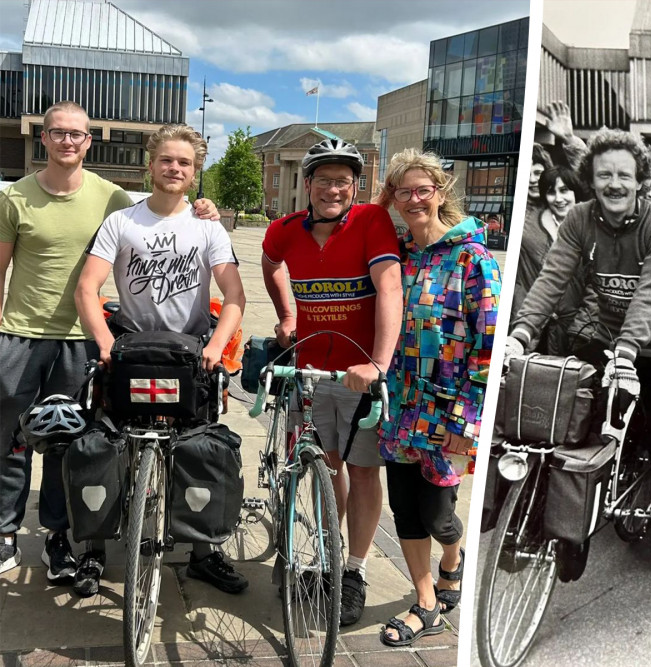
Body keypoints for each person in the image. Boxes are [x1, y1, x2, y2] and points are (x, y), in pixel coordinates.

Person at [0, 101, 217, 581]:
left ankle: (59, 536)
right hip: (20, 332)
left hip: (81, 339)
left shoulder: (112, 198)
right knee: (13, 439)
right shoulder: (15, 196)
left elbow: (162, 213)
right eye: (58, 132)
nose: (67, 141)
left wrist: (205, 209)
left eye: (76, 134)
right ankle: (6, 531)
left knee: (69, 443)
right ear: (44, 137)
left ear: (88, 141)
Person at [506, 127, 651, 607]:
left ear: (641, 180)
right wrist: (521, 333)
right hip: (607, 336)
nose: (613, 183)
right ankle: (570, 530)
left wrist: (630, 351)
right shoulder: (579, 219)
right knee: (572, 431)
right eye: (604, 174)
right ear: (591, 178)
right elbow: (552, 279)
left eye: (624, 175)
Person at [73, 124, 245, 597]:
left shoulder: (207, 226)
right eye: (167, 160)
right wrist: (104, 341)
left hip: (192, 353)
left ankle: (204, 552)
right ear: (150, 165)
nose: (174, 168)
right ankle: (92, 548)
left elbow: (233, 295)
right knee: (106, 443)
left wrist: (216, 347)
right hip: (130, 349)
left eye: (184, 163)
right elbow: (87, 287)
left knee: (201, 447)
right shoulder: (122, 222)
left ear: (195, 172)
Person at [261, 138, 403, 626]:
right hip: (309, 372)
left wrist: (378, 364)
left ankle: (355, 570)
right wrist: (285, 313)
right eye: (324, 179)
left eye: (343, 180)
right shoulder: (284, 230)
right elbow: (269, 260)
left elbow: (389, 287)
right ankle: (326, 554)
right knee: (324, 464)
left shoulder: (371, 222)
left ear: (355, 186)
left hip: (359, 374)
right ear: (307, 185)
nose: (333, 189)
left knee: (362, 470)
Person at [374, 149, 499, 645]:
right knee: (405, 508)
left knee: (440, 517)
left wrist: (468, 420)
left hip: (447, 411)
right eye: (402, 192)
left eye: (423, 189)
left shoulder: (473, 258)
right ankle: (426, 602)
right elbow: (360, 219)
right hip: (399, 406)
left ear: (441, 192)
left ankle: (453, 559)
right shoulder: (397, 255)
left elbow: (486, 343)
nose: (412, 200)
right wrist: (384, 197)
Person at [512, 164, 586, 354]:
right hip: (532, 327)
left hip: (575, 330)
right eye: (552, 192)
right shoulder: (528, 223)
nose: (559, 199)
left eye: (564, 191)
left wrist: (582, 329)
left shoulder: (591, 227)